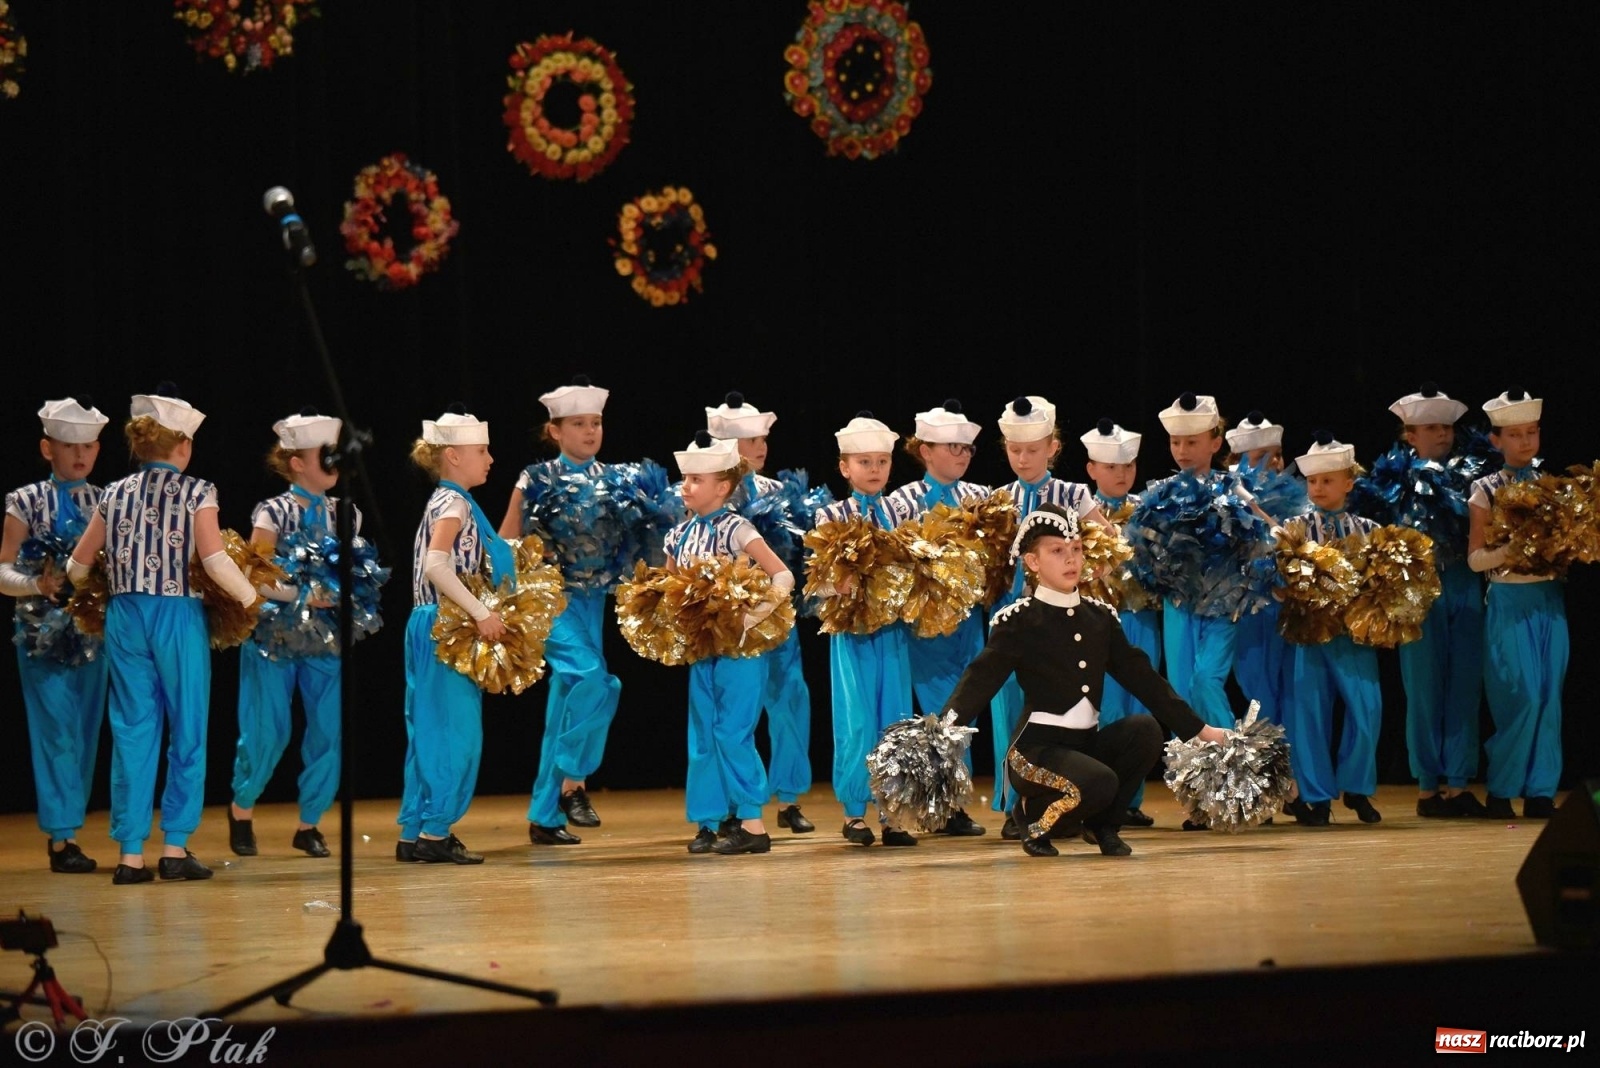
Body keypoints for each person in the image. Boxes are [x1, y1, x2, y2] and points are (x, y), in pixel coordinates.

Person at [940, 505, 1228, 857]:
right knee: (1099, 781)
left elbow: (1144, 680)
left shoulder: (1100, 617)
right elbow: (979, 680)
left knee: (1145, 730)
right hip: (1035, 753)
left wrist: (1201, 731)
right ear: (1033, 562)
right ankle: (1032, 820)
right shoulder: (1018, 620)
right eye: (1057, 551)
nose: (1070, 559)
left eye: (1075, 549)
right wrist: (942, 730)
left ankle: (1102, 825)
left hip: (1083, 747)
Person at [67, 387, 256, 884]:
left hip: (125, 615)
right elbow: (214, 559)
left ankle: (130, 856)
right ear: (184, 445)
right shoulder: (197, 491)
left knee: (133, 729)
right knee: (187, 727)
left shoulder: (112, 493)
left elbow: (77, 566)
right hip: (177, 615)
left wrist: (102, 582)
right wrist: (248, 597)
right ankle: (174, 848)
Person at [227, 409, 356, 859]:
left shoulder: (346, 512)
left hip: (325, 639)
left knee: (328, 731)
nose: (335, 460)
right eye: (326, 453)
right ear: (298, 463)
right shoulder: (273, 511)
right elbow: (253, 576)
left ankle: (309, 824)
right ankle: (242, 808)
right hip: (273, 637)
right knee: (268, 731)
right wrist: (301, 594)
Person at [501, 377, 623, 845]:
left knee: (569, 702)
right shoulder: (535, 478)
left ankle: (544, 815)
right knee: (597, 679)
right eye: (579, 424)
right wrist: (515, 590)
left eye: (596, 423)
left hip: (593, 601)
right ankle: (574, 783)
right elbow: (507, 538)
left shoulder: (614, 479)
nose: (590, 431)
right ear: (555, 431)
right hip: (549, 600)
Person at [666, 433, 795, 855]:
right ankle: (710, 821)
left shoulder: (737, 528)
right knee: (703, 733)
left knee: (733, 730)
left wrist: (751, 616)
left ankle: (753, 824)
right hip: (703, 650)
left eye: (696, 480)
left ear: (722, 487)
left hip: (741, 650)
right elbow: (669, 587)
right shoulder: (679, 535)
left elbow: (783, 575)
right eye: (685, 479)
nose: (686, 486)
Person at [991, 395, 1108, 836]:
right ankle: (1014, 806)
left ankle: (1065, 800)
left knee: (1055, 711)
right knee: (1009, 712)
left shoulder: (1075, 494)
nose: (1023, 458)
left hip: (1060, 621)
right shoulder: (997, 499)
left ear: (1053, 448)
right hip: (1012, 619)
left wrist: (1090, 569)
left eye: (1032, 450)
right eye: (1014, 449)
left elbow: (1108, 547)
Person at [2, 398, 110, 874]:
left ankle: (68, 830)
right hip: (41, 635)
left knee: (84, 732)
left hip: (94, 634)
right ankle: (62, 837)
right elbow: (2, 570)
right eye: (69, 446)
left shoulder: (107, 500)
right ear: (48, 449)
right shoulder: (24, 501)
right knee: (57, 733)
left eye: (87, 446)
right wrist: (36, 585)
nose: (80, 455)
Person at [1372, 385, 1489, 818]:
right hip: (1416, 590)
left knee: (1464, 683)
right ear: (1410, 435)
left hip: (1462, 580)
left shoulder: (1471, 474)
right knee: (1423, 688)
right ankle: (1427, 787)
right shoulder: (1391, 482)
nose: (1442, 434)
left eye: (1447, 427)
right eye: (1432, 428)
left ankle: (1458, 783)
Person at [396, 409, 508, 864]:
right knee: (455, 734)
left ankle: (415, 831)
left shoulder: (446, 500)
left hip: (428, 623)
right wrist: (481, 613)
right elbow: (436, 565)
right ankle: (434, 833)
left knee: (429, 730)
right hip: (443, 626)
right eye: (482, 451)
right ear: (454, 456)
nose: (491, 459)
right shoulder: (454, 504)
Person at [706, 392, 820, 835]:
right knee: (735, 711)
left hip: (776, 615)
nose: (761, 447)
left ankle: (788, 798)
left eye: (763, 439)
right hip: (732, 622)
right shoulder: (710, 496)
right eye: (750, 440)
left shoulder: (779, 493)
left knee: (791, 699)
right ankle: (734, 802)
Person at [885, 399, 990, 836]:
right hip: (925, 627)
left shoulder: (981, 497)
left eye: (966, 449)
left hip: (971, 623)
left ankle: (950, 803)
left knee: (966, 714)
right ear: (925, 451)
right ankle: (946, 808)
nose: (962, 455)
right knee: (940, 712)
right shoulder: (901, 501)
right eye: (952, 448)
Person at [813, 412, 918, 846]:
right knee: (856, 720)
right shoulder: (830, 515)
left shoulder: (903, 510)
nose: (874, 470)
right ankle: (854, 812)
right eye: (864, 462)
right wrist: (835, 585)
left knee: (895, 719)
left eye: (882, 462)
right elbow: (816, 579)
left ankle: (893, 814)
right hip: (852, 632)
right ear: (845, 467)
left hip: (893, 632)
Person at [1278, 435, 1384, 827]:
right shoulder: (1294, 529)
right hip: (1310, 635)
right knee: (1309, 713)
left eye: (1327, 480)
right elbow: (1278, 581)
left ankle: (1356, 786)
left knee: (1367, 709)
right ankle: (1317, 797)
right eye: (1312, 481)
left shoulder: (1369, 529)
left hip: (1352, 636)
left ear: (1348, 482)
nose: (1318, 488)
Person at [1468, 391, 1564, 821]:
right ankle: (1503, 788)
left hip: (1549, 599)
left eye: (1532, 432)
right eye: (1515, 434)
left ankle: (1541, 791)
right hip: (1509, 599)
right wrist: (1514, 549)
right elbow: (1475, 559)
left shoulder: (1553, 487)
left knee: (1548, 698)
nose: (1526, 442)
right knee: (1522, 696)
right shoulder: (1484, 489)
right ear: (1496, 440)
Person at [1079, 417, 1160, 826]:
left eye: (1128, 466)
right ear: (1092, 469)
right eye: (1111, 467)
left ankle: (1130, 800)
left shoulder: (1150, 510)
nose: (1121, 474)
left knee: (1141, 705)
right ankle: (1102, 797)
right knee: (1104, 707)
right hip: (1097, 621)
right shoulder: (1078, 511)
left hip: (1141, 618)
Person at [1224, 411, 1294, 730]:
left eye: (1277, 454)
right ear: (1237, 462)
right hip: (1248, 609)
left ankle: (1290, 756)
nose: (1274, 463)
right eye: (1262, 456)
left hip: (1287, 608)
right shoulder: (1228, 502)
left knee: (1291, 691)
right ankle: (1265, 753)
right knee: (1258, 691)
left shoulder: (1296, 500)